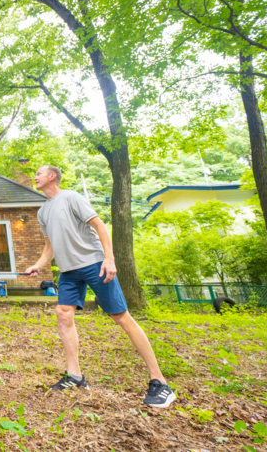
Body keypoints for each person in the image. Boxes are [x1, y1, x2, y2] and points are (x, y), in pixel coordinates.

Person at [25, 165, 175, 408]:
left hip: (94, 263)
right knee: (63, 314)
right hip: (68, 272)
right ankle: (74, 376)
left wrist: (109, 258)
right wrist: (37, 265)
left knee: (121, 316)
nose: (36, 177)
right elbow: (49, 248)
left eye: (39, 173)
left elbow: (99, 226)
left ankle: (160, 382)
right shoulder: (43, 211)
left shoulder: (71, 197)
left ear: (52, 176)